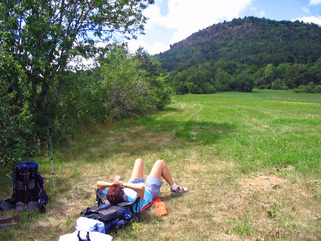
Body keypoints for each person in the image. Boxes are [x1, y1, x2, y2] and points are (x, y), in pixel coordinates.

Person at [96, 159, 187, 212]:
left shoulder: (112, 197)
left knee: (139, 160)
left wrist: (113, 184)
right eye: (121, 190)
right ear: (124, 197)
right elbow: (141, 188)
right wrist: (123, 184)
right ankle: (175, 188)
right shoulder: (133, 203)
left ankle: (175, 188)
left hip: (132, 185)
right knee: (160, 163)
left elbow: (98, 184)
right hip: (149, 191)